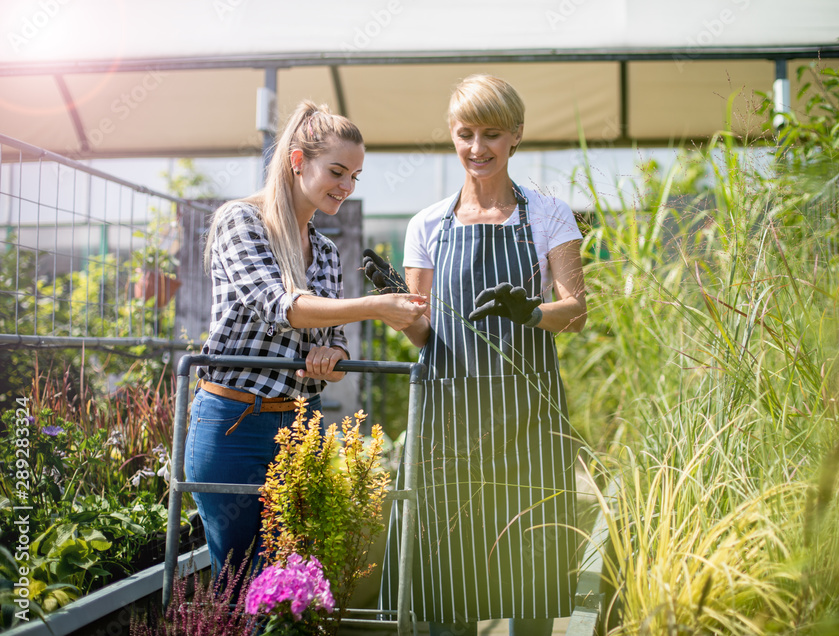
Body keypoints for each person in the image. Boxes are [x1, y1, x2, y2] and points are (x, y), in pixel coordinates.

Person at [373, 75, 586, 636]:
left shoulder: (548, 215)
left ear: (516, 135)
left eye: (492, 134)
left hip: (530, 422)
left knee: (532, 578)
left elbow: (577, 311)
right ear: (452, 134)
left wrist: (532, 313)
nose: (477, 148)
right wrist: (395, 303)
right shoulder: (427, 226)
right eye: (465, 133)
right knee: (449, 581)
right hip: (450, 421)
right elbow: (424, 335)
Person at [185, 100, 427, 579]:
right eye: (337, 171)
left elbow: (334, 342)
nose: (346, 185)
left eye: (355, 176)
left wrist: (332, 354)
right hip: (234, 425)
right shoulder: (242, 221)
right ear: (298, 160)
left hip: (299, 427)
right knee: (240, 580)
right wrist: (376, 306)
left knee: (296, 579)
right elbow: (281, 306)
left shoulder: (329, 252)